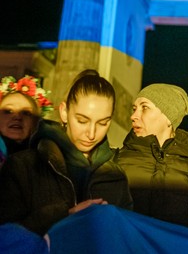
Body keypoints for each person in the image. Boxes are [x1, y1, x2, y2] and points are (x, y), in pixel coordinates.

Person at [0, 69, 132, 235]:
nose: (91, 133)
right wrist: (65, 215)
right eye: (82, 121)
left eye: (102, 123)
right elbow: (7, 237)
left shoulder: (115, 176)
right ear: (64, 112)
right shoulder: (24, 166)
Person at [114, 83, 188, 231]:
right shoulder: (115, 162)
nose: (133, 116)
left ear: (168, 118)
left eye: (144, 108)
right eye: (134, 109)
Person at [0, 75, 53, 170]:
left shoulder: (47, 158)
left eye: (26, 113)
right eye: (8, 111)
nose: (17, 117)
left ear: (36, 121)